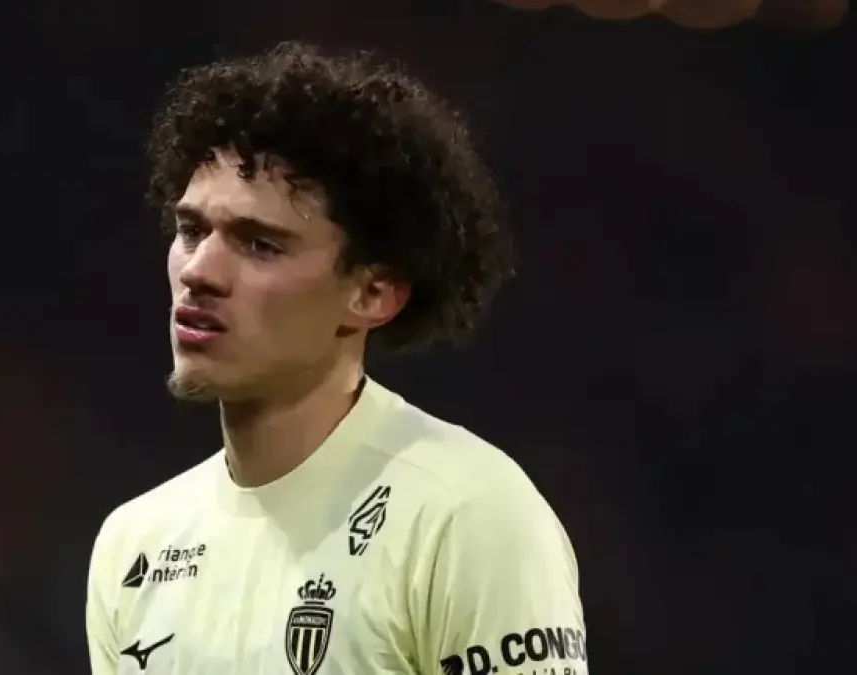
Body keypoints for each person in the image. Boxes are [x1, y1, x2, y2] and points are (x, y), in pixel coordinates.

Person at [86, 41, 587, 675]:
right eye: (191, 231)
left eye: (260, 244)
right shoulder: (135, 545)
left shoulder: (466, 514)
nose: (199, 271)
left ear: (372, 293)